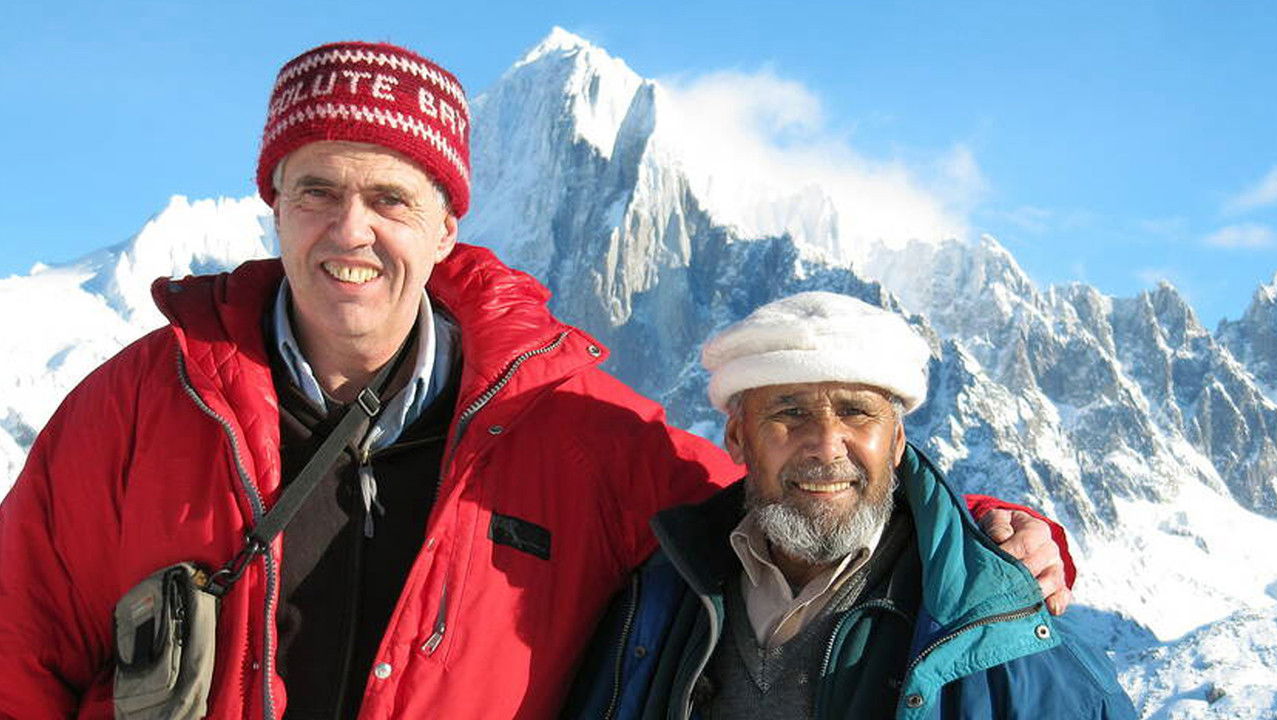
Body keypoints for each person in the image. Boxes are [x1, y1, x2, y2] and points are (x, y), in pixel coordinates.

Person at [0, 43, 1073, 719]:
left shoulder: (564, 425)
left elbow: (775, 493)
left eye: (389, 197)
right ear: (271, 206)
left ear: (446, 223)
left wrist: (985, 529)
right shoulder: (144, 402)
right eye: (314, 191)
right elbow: (19, 640)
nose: (349, 231)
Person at [566, 292, 1135, 719]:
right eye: (789, 412)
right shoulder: (658, 602)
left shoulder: (1000, 640)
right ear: (737, 438)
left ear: (897, 440)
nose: (825, 445)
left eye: (856, 412)